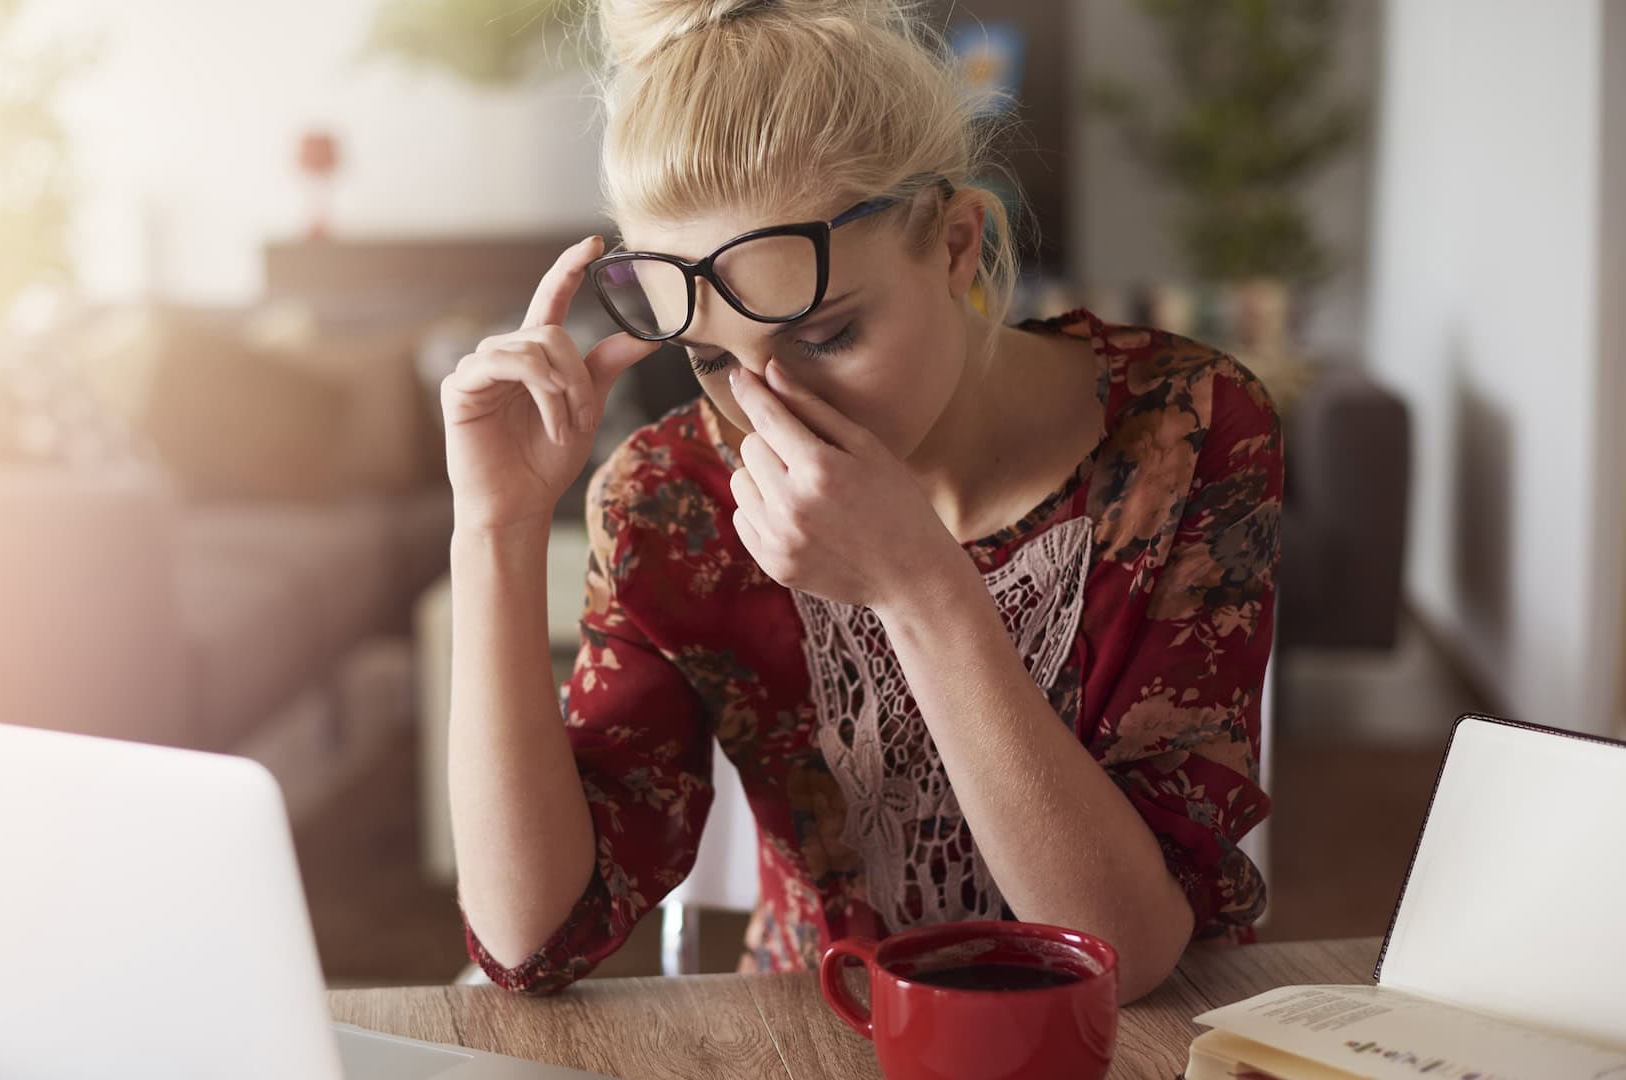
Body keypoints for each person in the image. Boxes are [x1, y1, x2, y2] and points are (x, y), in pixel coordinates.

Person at [443, 0, 1280, 1005]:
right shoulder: (677, 499)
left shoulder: (1185, 431)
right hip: (818, 1033)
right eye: (712, 359)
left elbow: (1127, 955)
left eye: (827, 334)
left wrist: (921, 588)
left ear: (959, 246)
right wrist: (496, 527)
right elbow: (533, 941)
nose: (771, 410)